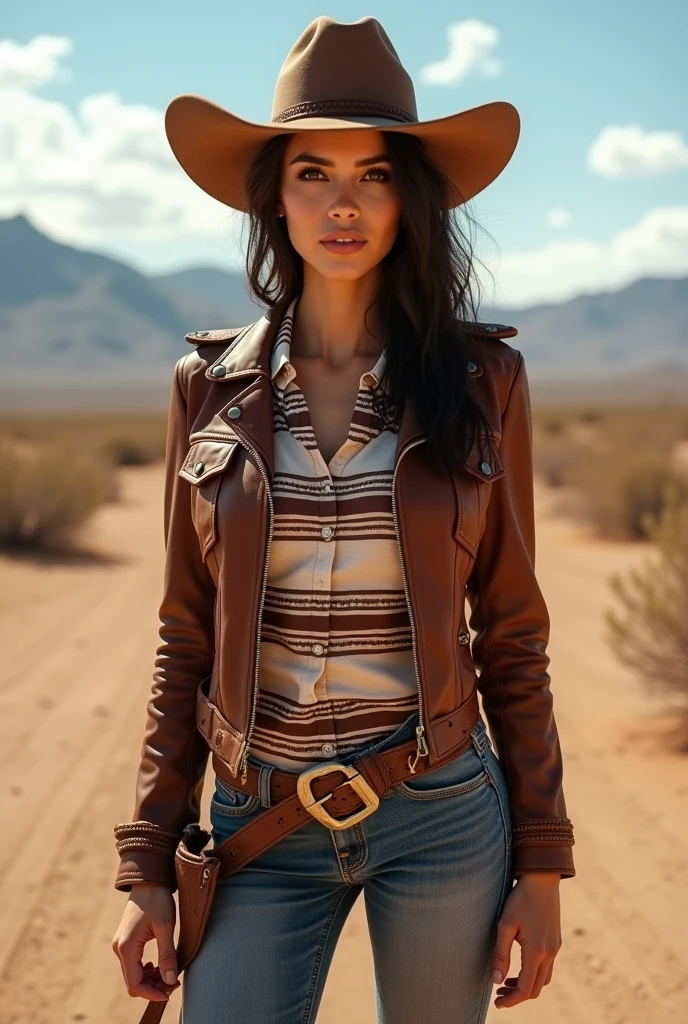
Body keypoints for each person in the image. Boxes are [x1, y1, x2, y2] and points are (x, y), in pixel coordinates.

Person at [111, 15, 575, 1024]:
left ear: (407, 197)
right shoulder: (209, 389)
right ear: (273, 195)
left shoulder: (481, 381)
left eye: (373, 174)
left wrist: (542, 863)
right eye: (313, 171)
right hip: (258, 821)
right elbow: (182, 634)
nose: (343, 203)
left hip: (440, 812)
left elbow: (511, 630)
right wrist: (146, 862)